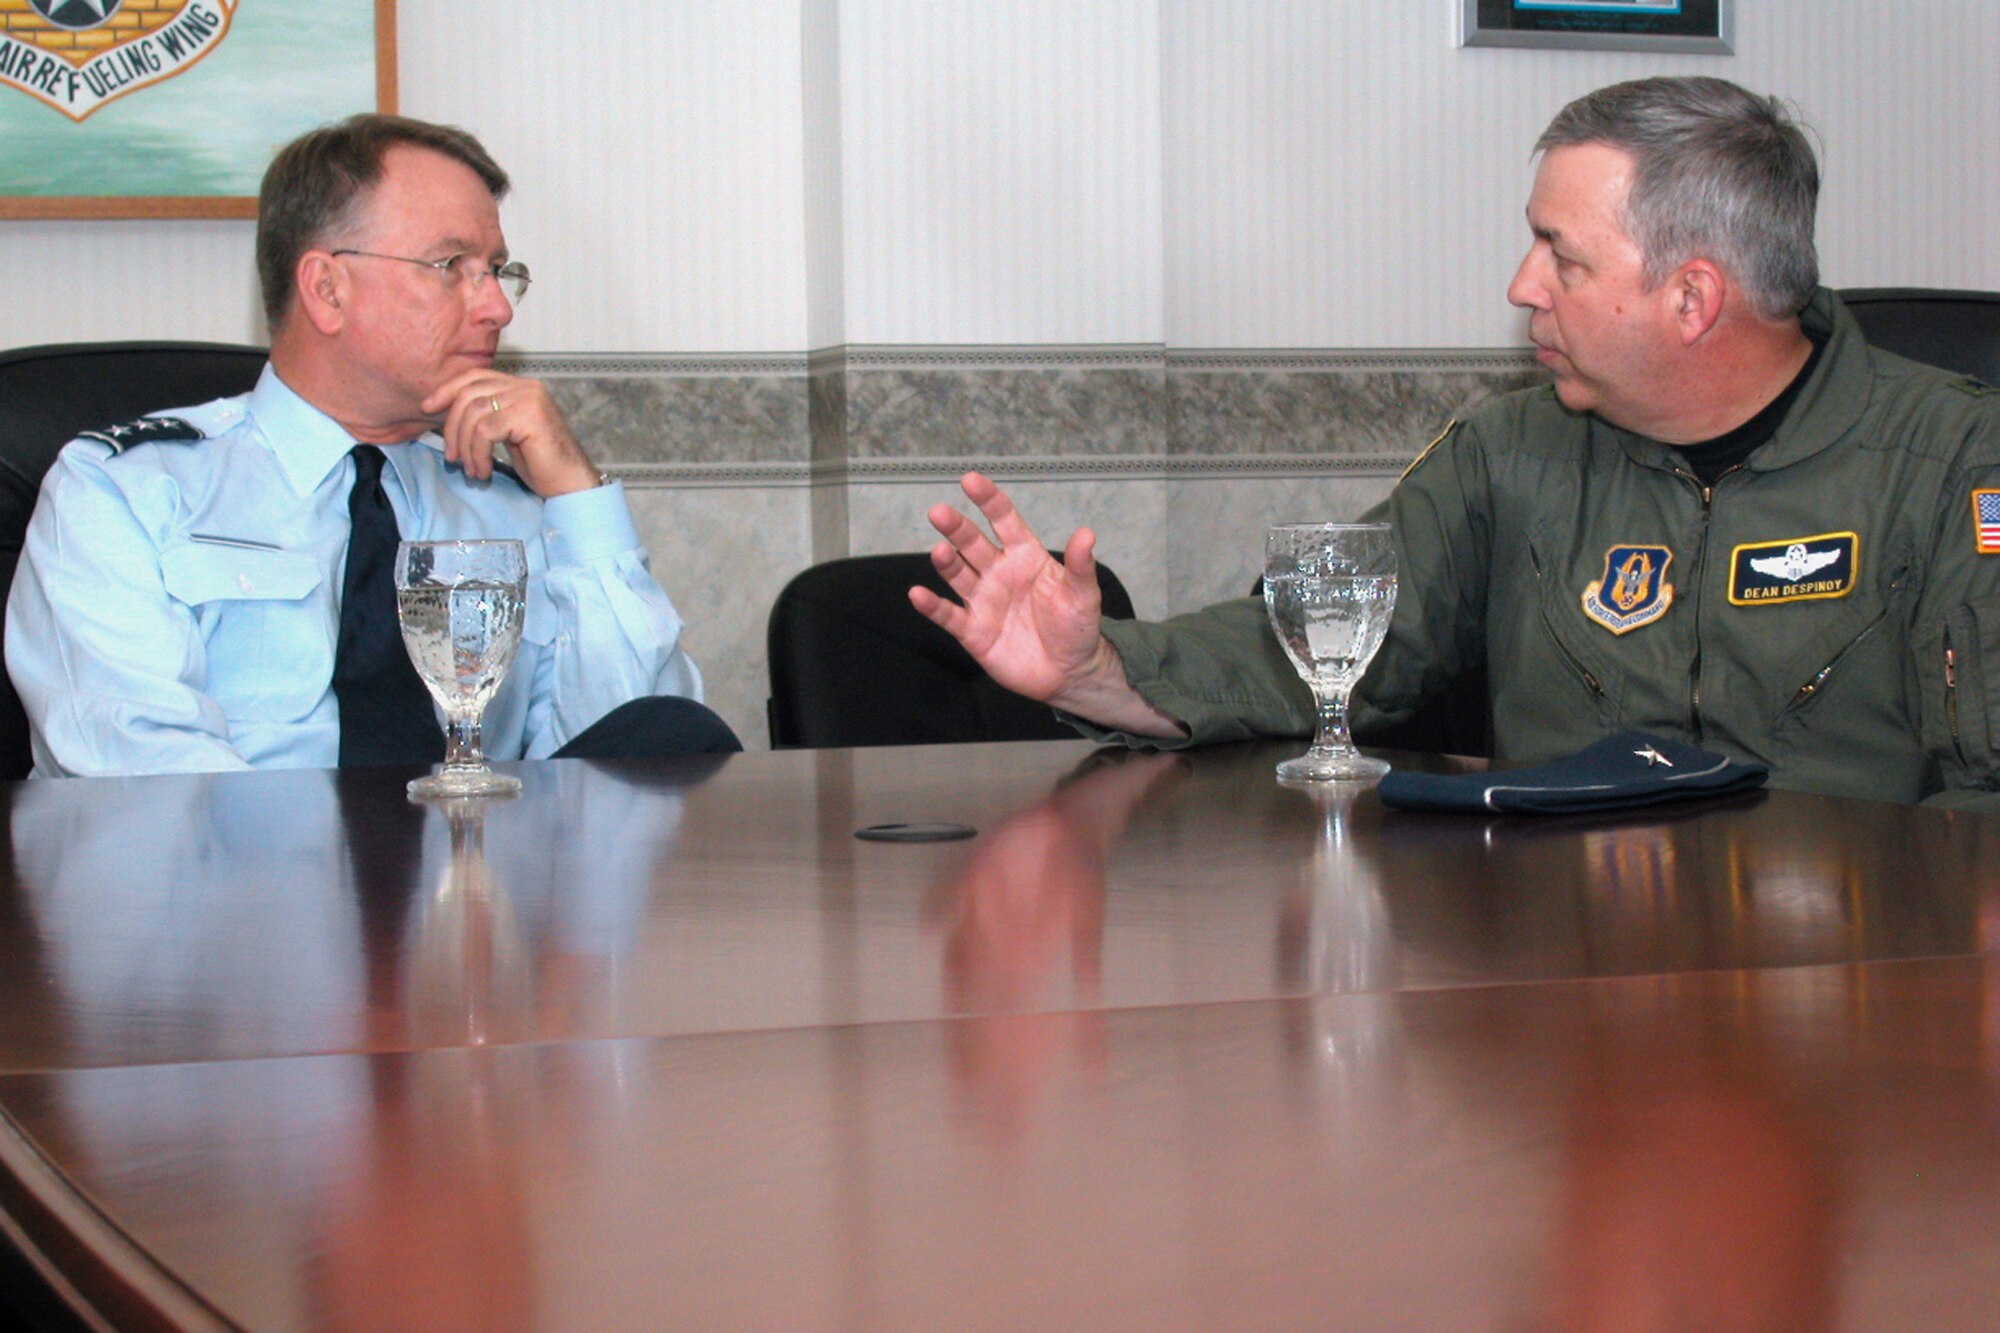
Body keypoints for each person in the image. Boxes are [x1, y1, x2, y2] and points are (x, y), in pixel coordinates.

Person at [911, 76, 2000, 806]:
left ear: (1691, 297)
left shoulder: (1953, 462)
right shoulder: (1509, 452)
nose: (1520, 287)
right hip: (1561, 995)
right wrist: (1093, 667)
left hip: (1851, 1013)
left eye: (1558, 257)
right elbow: (1323, 655)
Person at [7, 114, 736, 777]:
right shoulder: (124, 492)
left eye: (498, 271)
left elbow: (642, 761)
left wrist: (578, 498)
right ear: (327, 289)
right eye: (451, 266)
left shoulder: (508, 509)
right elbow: (143, 779)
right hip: (229, 911)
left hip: (485, 911)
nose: (497, 307)